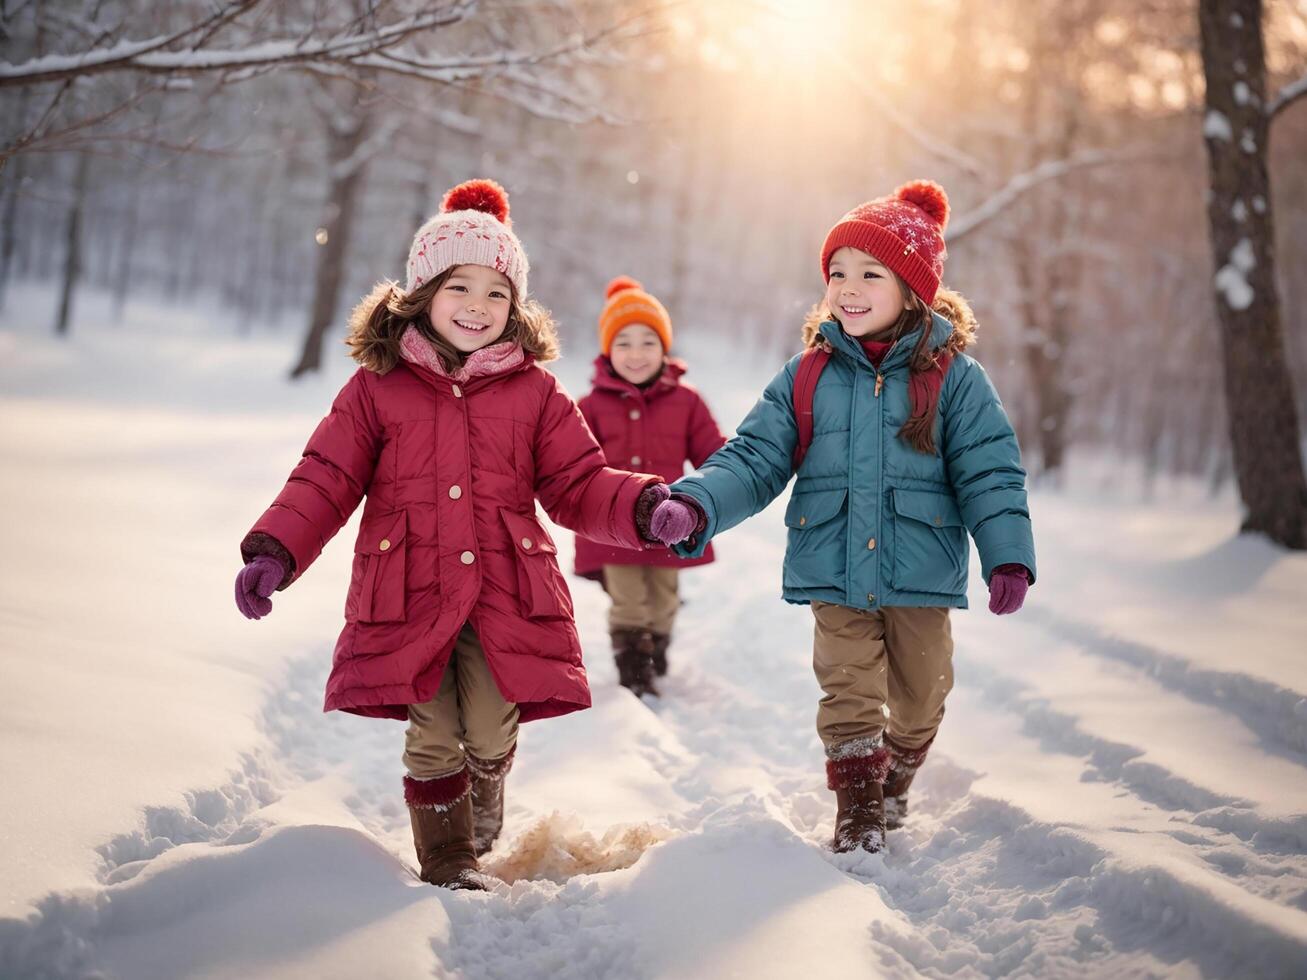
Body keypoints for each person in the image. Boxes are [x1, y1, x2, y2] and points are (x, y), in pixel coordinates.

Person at [234, 180, 670, 888]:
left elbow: (578, 481)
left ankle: (487, 786)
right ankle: (447, 860)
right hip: (410, 588)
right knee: (432, 732)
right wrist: (275, 550)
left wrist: (644, 506)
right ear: (420, 293)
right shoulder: (378, 386)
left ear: (516, 305)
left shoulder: (535, 393)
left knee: (492, 726)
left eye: (497, 292)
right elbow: (326, 476)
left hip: (505, 587)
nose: (477, 306)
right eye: (458, 286)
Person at [646, 180, 1036, 853]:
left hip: (920, 566)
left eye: (868, 273)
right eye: (836, 273)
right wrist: (696, 501)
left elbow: (989, 471)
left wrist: (1006, 554)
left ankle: (897, 776)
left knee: (920, 695)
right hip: (831, 564)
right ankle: (857, 810)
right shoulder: (807, 375)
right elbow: (753, 455)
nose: (846, 287)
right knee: (847, 689)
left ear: (912, 288)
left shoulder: (956, 380)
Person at [574, 276, 726, 697]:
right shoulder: (590, 407)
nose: (636, 354)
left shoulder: (686, 400)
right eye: (623, 343)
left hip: (671, 524)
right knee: (628, 601)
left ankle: (656, 646)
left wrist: (719, 486)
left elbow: (714, 453)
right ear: (607, 350)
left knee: (663, 602)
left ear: (664, 347)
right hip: (613, 528)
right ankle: (633, 669)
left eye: (648, 342)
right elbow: (577, 465)